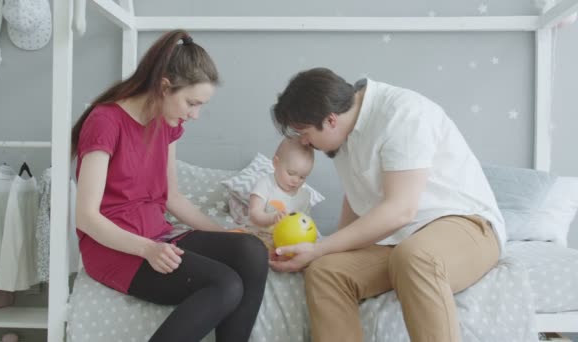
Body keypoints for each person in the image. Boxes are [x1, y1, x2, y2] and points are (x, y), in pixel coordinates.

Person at [269, 67, 506, 342]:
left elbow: (400, 210)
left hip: (465, 224)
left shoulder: (402, 114)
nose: (304, 142)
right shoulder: (345, 136)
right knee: (326, 271)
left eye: (305, 132)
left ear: (331, 119)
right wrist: (324, 253)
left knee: (417, 257)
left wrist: (318, 247)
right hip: (398, 241)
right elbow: (358, 198)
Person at [71, 30, 268, 342]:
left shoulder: (167, 123)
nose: (195, 114)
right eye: (192, 103)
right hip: (114, 246)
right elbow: (86, 217)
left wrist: (226, 233)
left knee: (251, 250)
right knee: (226, 284)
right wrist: (147, 249)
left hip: (158, 235)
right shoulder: (105, 121)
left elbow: (172, 197)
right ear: (164, 86)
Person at [248, 137, 314, 228]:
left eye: (302, 177)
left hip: (288, 240)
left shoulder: (304, 196)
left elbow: (306, 222)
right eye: (291, 173)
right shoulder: (265, 184)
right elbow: (254, 215)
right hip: (260, 236)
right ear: (276, 163)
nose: (296, 180)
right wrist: (272, 218)